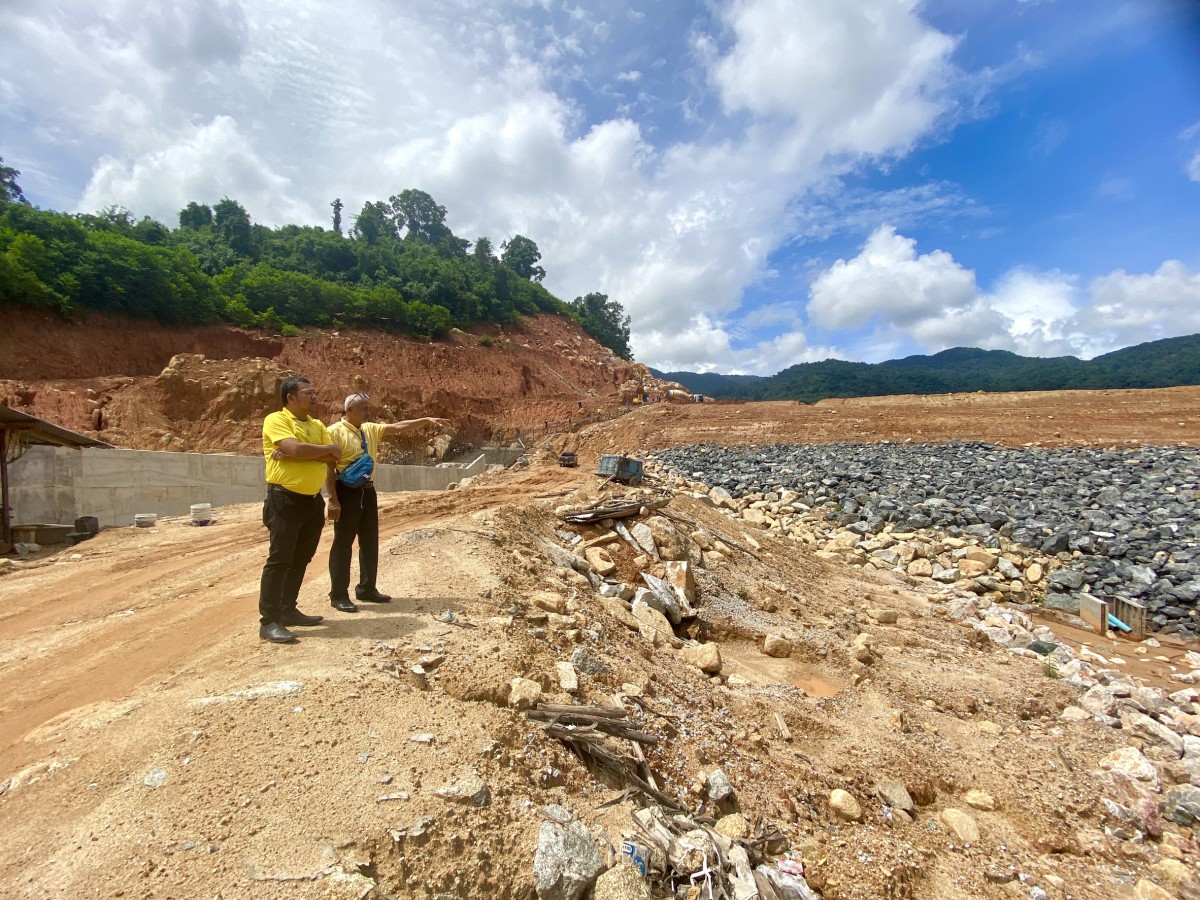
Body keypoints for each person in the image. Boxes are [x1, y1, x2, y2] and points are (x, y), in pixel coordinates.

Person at [326, 393, 449, 612]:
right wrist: (333, 499)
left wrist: (426, 420)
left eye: (368, 408)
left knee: (370, 540)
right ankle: (338, 595)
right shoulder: (334, 432)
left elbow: (399, 427)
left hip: (367, 490)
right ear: (349, 410)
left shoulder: (369, 429)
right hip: (346, 491)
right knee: (343, 543)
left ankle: (367, 588)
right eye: (363, 408)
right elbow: (328, 467)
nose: (367, 412)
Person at [257, 376, 341, 644]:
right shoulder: (276, 420)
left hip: (311, 501)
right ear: (290, 397)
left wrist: (305, 451)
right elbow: (293, 447)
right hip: (285, 500)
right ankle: (269, 621)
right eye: (308, 392)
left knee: (301, 557)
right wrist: (299, 450)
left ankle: (287, 608)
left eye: (315, 391)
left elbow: (334, 456)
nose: (314, 397)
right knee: (280, 559)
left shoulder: (316, 425)